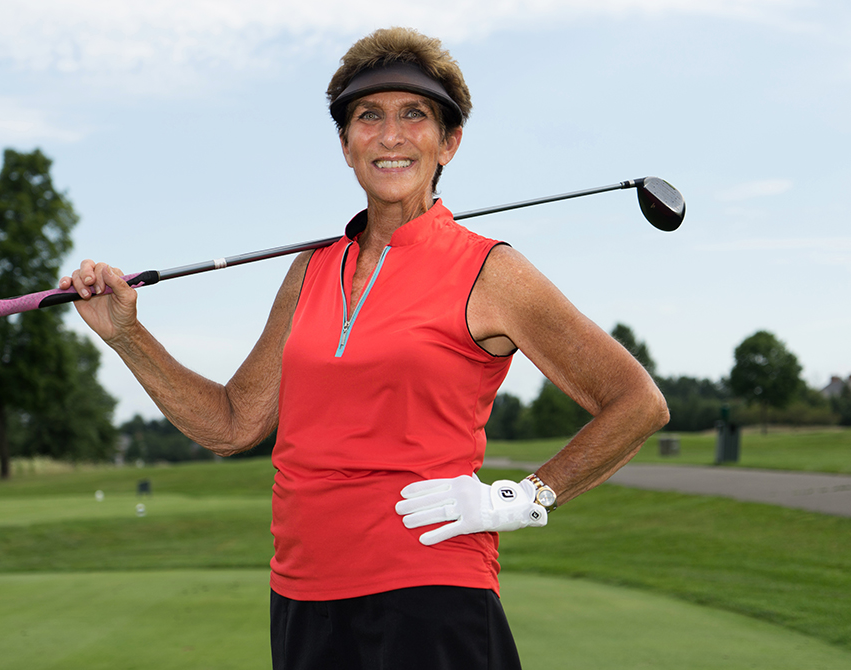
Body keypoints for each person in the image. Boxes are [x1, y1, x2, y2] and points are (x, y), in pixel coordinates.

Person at [61, 27, 669, 670]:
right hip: (303, 596)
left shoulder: (491, 271)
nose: (390, 135)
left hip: (431, 591)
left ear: (449, 142)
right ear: (346, 145)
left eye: (415, 115)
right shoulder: (309, 271)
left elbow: (637, 403)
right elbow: (234, 424)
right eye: (369, 116)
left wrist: (521, 498)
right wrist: (127, 335)